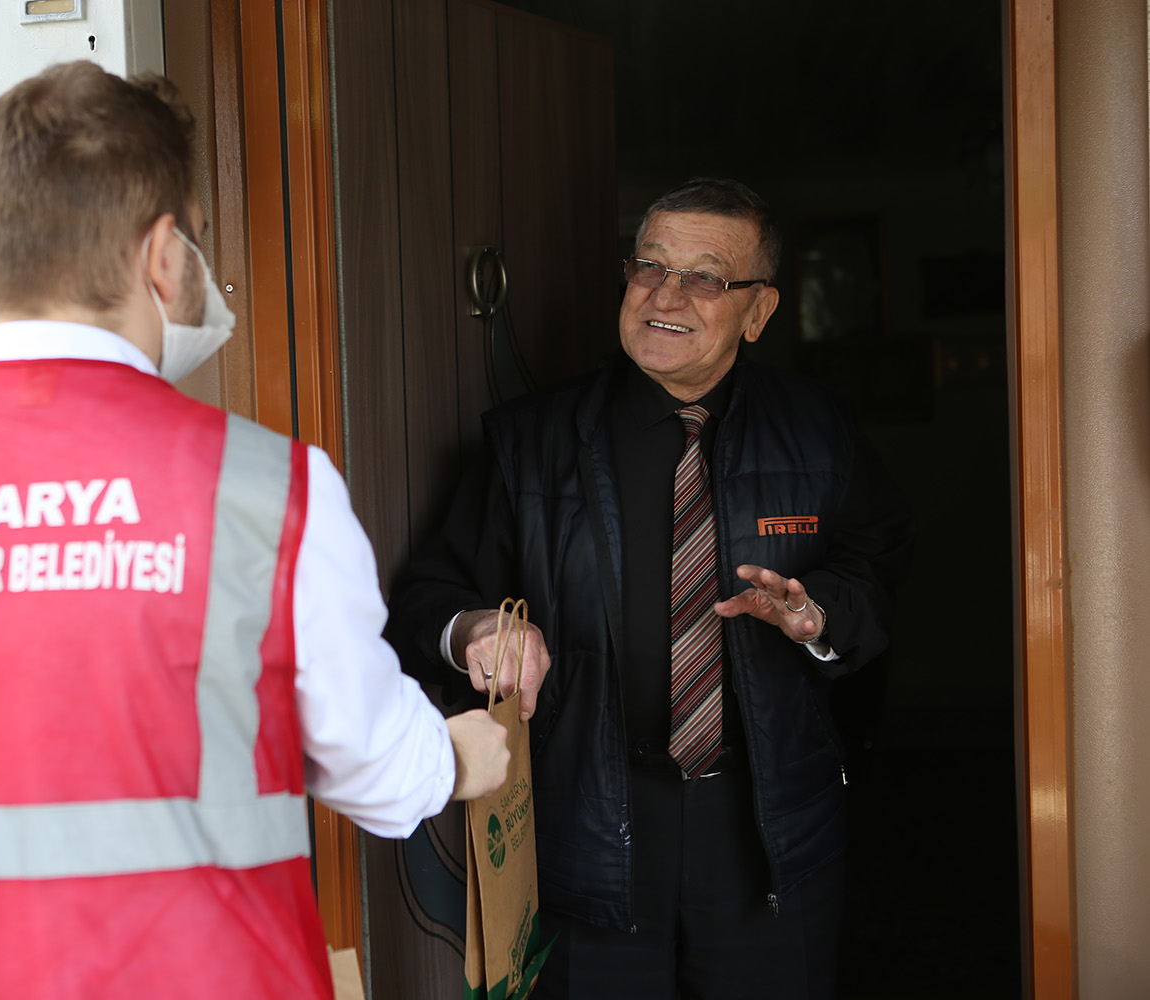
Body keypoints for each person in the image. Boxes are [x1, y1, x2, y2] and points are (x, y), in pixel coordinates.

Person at [0, 62, 509, 1000]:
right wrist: (458, 758)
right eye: (193, 243)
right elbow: (378, 770)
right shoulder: (267, 491)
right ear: (160, 254)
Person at [386, 178, 912, 999]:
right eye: (648, 267)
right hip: (587, 826)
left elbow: (877, 577)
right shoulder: (531, 443)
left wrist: (817, 616)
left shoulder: (821, 433)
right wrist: (477, 628)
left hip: (767, 828)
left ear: (759, 311)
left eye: (705, 277)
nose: (666, 295)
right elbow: (427, 597)